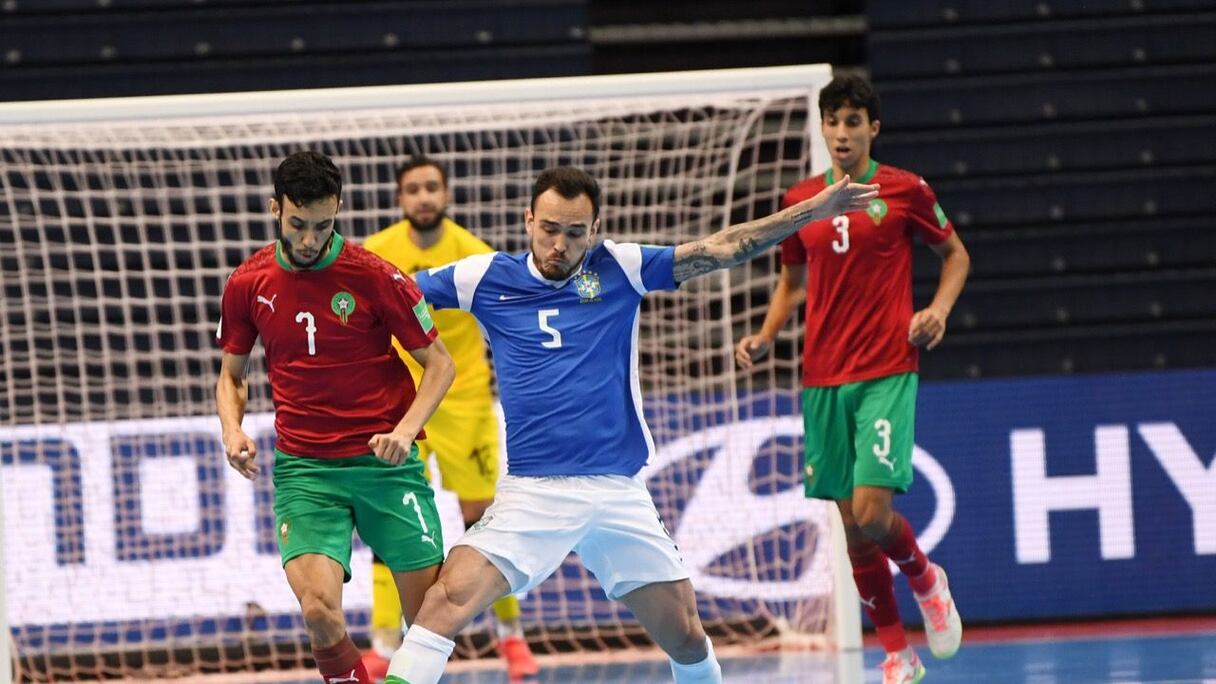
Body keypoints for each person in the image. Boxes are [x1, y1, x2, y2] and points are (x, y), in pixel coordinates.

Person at [382, 166, 879, 684]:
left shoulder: (620, 266)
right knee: (443, 602)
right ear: (528, 219)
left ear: (594, 230)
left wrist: (810, 213)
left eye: (575, 233)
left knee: (687, 635)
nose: (560, 244)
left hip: (618, 492)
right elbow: (390, 294)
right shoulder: (483, 277)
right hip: (534, 493)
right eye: (549, 228)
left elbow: (724, 247)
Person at [735, 75, 971, 684]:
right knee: (853, 531)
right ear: (822, 127)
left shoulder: (904, 189)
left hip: (886, 367)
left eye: (853, 122)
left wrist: (937, 311)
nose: (842, 133)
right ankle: (896, 654)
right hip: (821, 377)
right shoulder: (802, 198)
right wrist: (765, 335)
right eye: (832, 122)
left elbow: (956, 255)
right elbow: (793, 281)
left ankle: (925, 577)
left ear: (873, 128)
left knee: (871, 511)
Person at [215, 151, 455, 684]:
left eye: (322, 225)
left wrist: (405, 430)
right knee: (319, 613)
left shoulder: (376, 276)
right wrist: (232, 429)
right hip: (307, 472)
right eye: (297, 224)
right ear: (275, 209)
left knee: (430, 621)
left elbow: (440, 365)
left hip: (385, 467)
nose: (308, 239)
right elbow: (231, 376)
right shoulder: (247, 282)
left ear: (338, 210)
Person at [361, 156, 538, 679]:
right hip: (398, 405)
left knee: (482, 521)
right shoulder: (376, 254)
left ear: (447, 195)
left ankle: (511, 639)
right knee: (389, 523)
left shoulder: (474, 255)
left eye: (431, 187)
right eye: (412, 189)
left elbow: (507, 324)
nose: (422, 197)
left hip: (463, 402)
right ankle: (382, 643)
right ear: (400, 199)